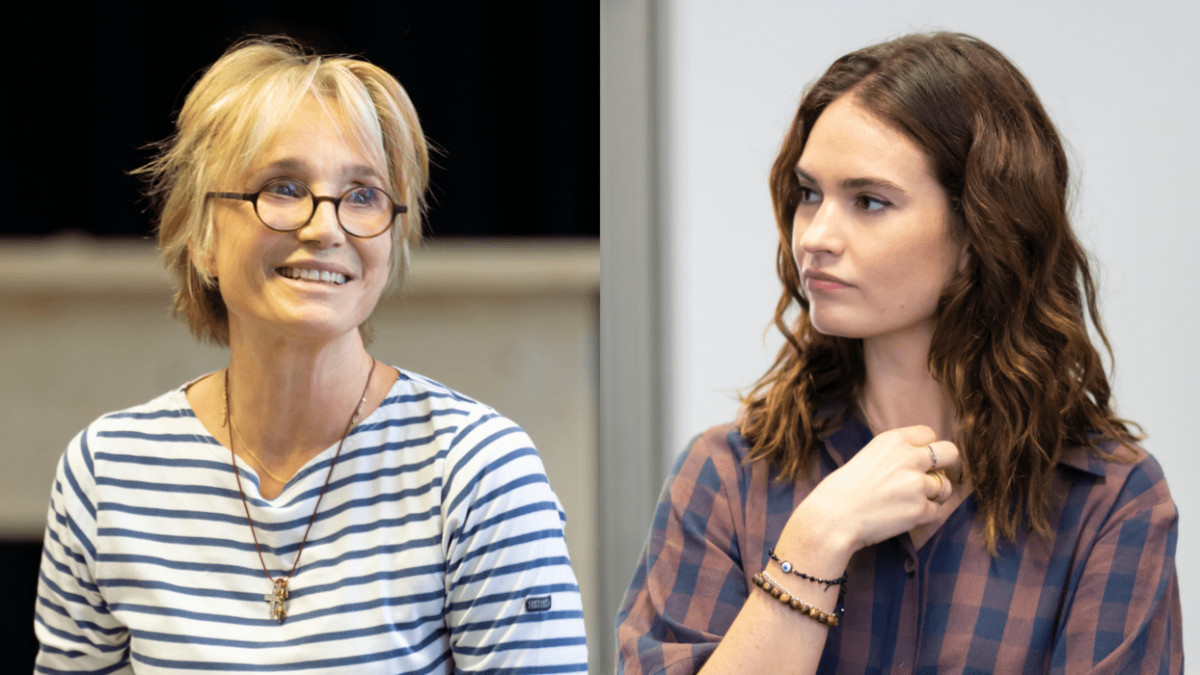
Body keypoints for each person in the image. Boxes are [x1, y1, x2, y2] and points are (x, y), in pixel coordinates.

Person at [616, 32, 1181, 674]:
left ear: (980, 230)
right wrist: (816, 540)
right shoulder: (727, 477)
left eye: (869, 202)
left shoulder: (1110, 499)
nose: (816, 236)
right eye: (808, 194)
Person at [34, 37, 588, 674]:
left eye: (362, 195)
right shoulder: (107, 472)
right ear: (201, 237)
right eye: (283, 187)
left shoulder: (478, 469)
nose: (326, 227)